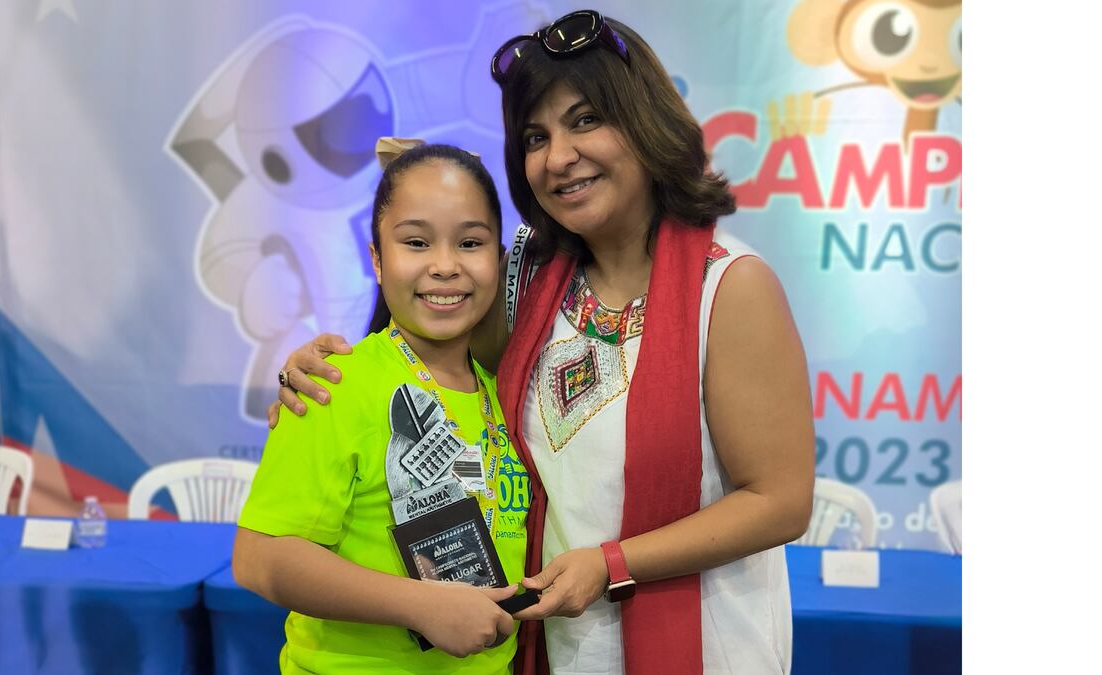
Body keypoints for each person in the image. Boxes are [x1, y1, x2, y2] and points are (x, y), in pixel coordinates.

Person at [270, 11, 814, 675]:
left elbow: (779, 502)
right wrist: (315, 377)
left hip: (702, 646)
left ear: (645, 122)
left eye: (586, 120)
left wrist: (613, 564)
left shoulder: (729, 287)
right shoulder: (527, 276)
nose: (558, 157)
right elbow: (422, 367)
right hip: (551, 646)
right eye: (536, 136)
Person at [233, 141, 533, 674]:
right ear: (376, 259)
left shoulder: (504, 393)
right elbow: (259, 557)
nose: (445, 266)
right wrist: (422, 605)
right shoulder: (333, 385)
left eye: (470, 243)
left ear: (499, 258)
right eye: (416, 242)